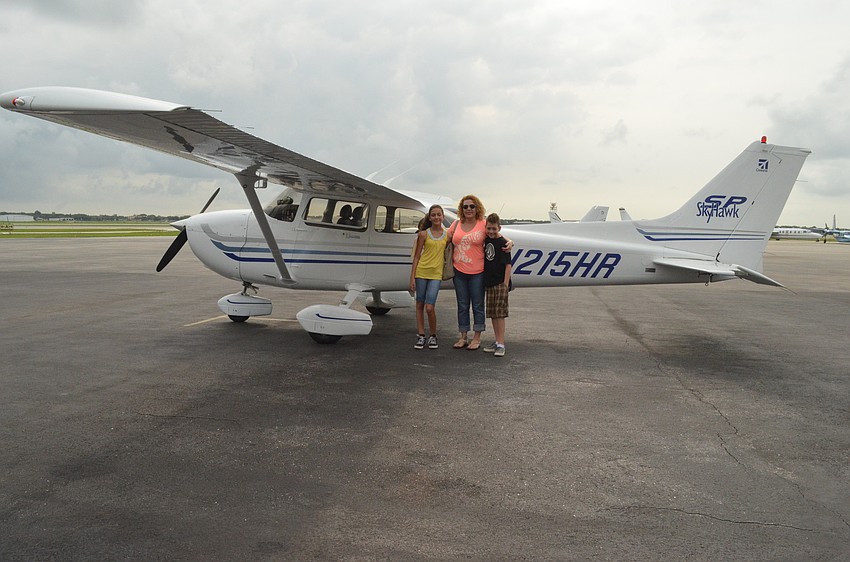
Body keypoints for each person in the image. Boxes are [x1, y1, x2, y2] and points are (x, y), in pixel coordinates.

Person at [409, 205, 448, 349]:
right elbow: (417, 256)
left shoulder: (447, 235)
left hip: (436, 274)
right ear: (430, 217)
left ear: (443, 217)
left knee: (430, 307)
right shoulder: (423, 234)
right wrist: (412, 277)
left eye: (439, 215)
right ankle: (421, 335)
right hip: (422, 272)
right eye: (433, 215)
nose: (436, 217)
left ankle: (433, 335)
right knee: (420, 304)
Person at [482, 213, 511, 357]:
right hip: (490, 282)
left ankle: (501, 343)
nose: (491, 231)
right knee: (493, 314)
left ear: (499, 228)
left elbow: (508, 265)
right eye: (489, 228)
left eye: (494, 229)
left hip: (500, 283)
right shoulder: (486, 240)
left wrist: (505, 285)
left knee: (499, 314)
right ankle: (497, 340)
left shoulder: (503, 244)